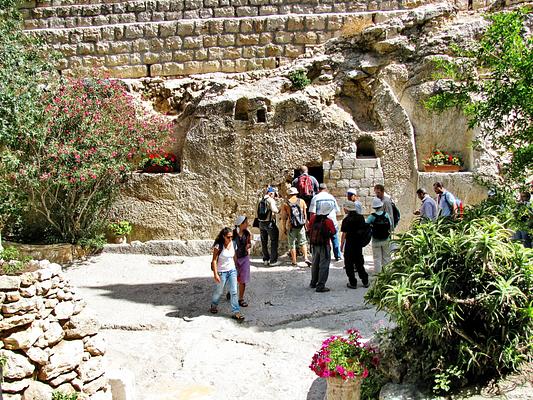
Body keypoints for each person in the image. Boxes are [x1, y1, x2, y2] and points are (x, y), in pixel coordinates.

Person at [209, 227, 245, 322]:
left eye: (231, 237)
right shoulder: (218, 246)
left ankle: (236, 312)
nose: (230, 239)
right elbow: (214, 260)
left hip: (232, 270)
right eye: (228, 237)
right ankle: (214, 304)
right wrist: (215, 274)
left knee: (234, 291)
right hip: (222, 272)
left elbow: (234, 257)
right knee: (219, 291)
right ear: (223, 236)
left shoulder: (233, 243)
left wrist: (237, 268)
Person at [341, 201, 370, 289]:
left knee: (349, 263)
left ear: (347, 209)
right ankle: (365, 281)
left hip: (350, 243)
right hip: (358, 244)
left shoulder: (346, 220)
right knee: (359, 263)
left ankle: (353, 283)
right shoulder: (360, 217)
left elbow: (344, 234)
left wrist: (341, 245)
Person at [308, 202, 336, 292]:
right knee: (324, 265)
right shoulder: (328, 221)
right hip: (324, 245)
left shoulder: (313, 218)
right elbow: (333, 232)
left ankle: (313, 282)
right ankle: (320, 285)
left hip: (314, 245)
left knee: (315, 264)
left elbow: (309, 228)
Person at [309, 183, 342, 261]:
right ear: (326, 189)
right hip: (332, 221)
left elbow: (312, 212)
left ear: (318, 189)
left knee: (322, 239)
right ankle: (338, 255)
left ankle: (324, 256)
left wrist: (312, 224)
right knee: (334, 238)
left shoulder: (315, 198)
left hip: (321, 222)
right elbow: (337, 211)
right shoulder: (331, 197)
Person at [281, 187, 311, 266]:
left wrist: (284, 227)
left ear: (289, 194)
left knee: (292, 244)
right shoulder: (302, 201)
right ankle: (306, 258)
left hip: (291, 226)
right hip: (301, 225)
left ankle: (294, 261)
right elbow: (305, 214)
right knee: (303, 242)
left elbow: (284, 218)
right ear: (296, 193)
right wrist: (305, 224)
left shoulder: (286, 203)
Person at [366, 197, 392, 274]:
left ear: (374, 207)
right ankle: (386, 273)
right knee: (386, 257)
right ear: (381, 206)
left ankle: (378, 274)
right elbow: (390, 225)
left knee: (377, 258)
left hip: (375, 240)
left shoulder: (372, 216)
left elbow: (366, 225)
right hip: (386, 239)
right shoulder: (386, 215)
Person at [257, 186, 280, 266]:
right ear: (270, 193)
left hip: (260, 223)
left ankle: (265, 259)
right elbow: (274, 210)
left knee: (264, 242)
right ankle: (273, 261)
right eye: (274, 194)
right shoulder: (270, 200)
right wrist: (278, 210)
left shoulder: (260, 200)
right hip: (269, 223)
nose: (274, 196)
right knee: (274, 241)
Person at [233, 216, 252, 307]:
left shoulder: (247, 233)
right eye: (246, 222)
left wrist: (247, 246)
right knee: (232, 278)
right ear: (241, 224)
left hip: (244, 258)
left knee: (242, 279)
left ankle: (240, 299)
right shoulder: (232, 234)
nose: (247, 224)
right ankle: (231, 291)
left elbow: (249, 243)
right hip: (233, 258)